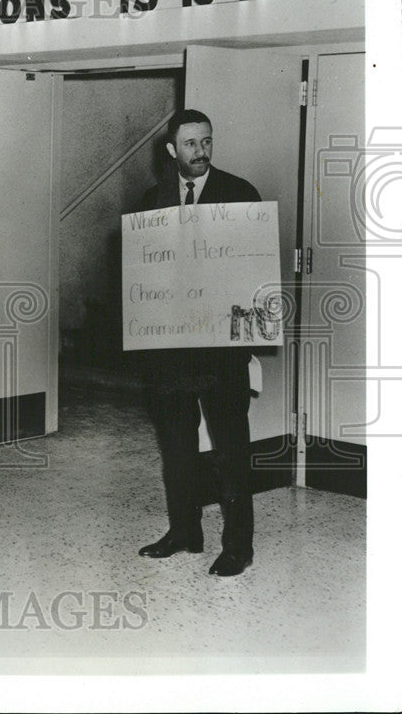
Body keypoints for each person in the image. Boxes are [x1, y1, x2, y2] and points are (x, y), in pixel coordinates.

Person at [137, 109, 262, 577]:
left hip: (221, 349)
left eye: (206, 141)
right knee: (177, 445)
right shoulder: (154, 200)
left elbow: (254, 274)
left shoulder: (240, 194)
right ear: (172, 150)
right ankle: (185, 531)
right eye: (189, 144)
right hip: (170, 349)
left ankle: (239, 546)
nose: (200, 152)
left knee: (231, 448)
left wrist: (250, 336)